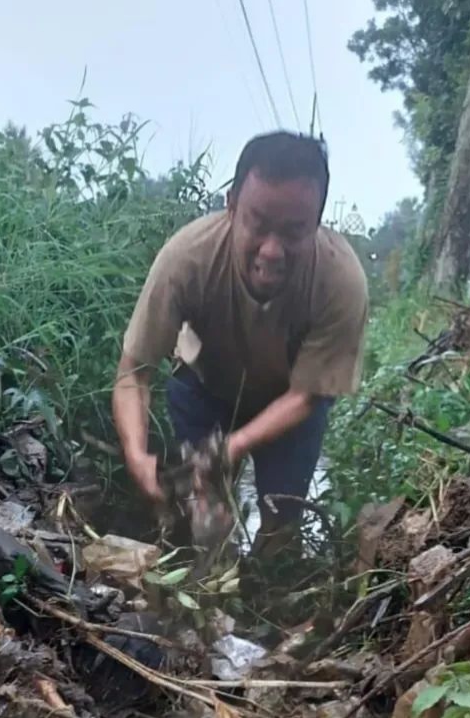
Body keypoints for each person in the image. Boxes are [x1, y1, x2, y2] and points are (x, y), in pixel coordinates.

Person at [111, 131, 369, 558]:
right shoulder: (186, 258)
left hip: (290, 404)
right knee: (203, 526)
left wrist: (233, 447)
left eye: (293, 231)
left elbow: (308, 395)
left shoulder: (340, 281)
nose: (271, 251)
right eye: (258, 224)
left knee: (281, 527)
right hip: (204, 388)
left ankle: (269, 587)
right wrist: (137, 454)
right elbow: (133, 372)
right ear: (231, 206)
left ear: (317, 222)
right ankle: (206, 580)